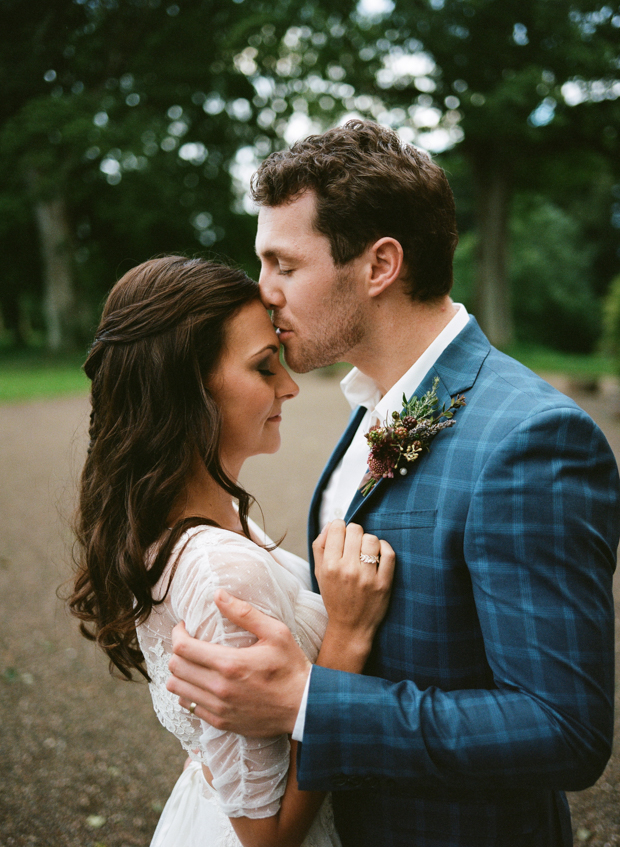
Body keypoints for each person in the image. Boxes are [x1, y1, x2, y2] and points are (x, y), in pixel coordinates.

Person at [167, 121, 620, 847]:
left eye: (284, 264)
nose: (263, 294)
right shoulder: (372, 406)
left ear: (379, 265)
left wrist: (307, 699)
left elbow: (564, 728)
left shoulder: (532, 440)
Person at [68, 255, 395, 847]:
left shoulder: (199, 520)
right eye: (265, 367)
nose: (290, 386)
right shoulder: (220, 565)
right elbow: (266, 838)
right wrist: (346, 637)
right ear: (187, 389)